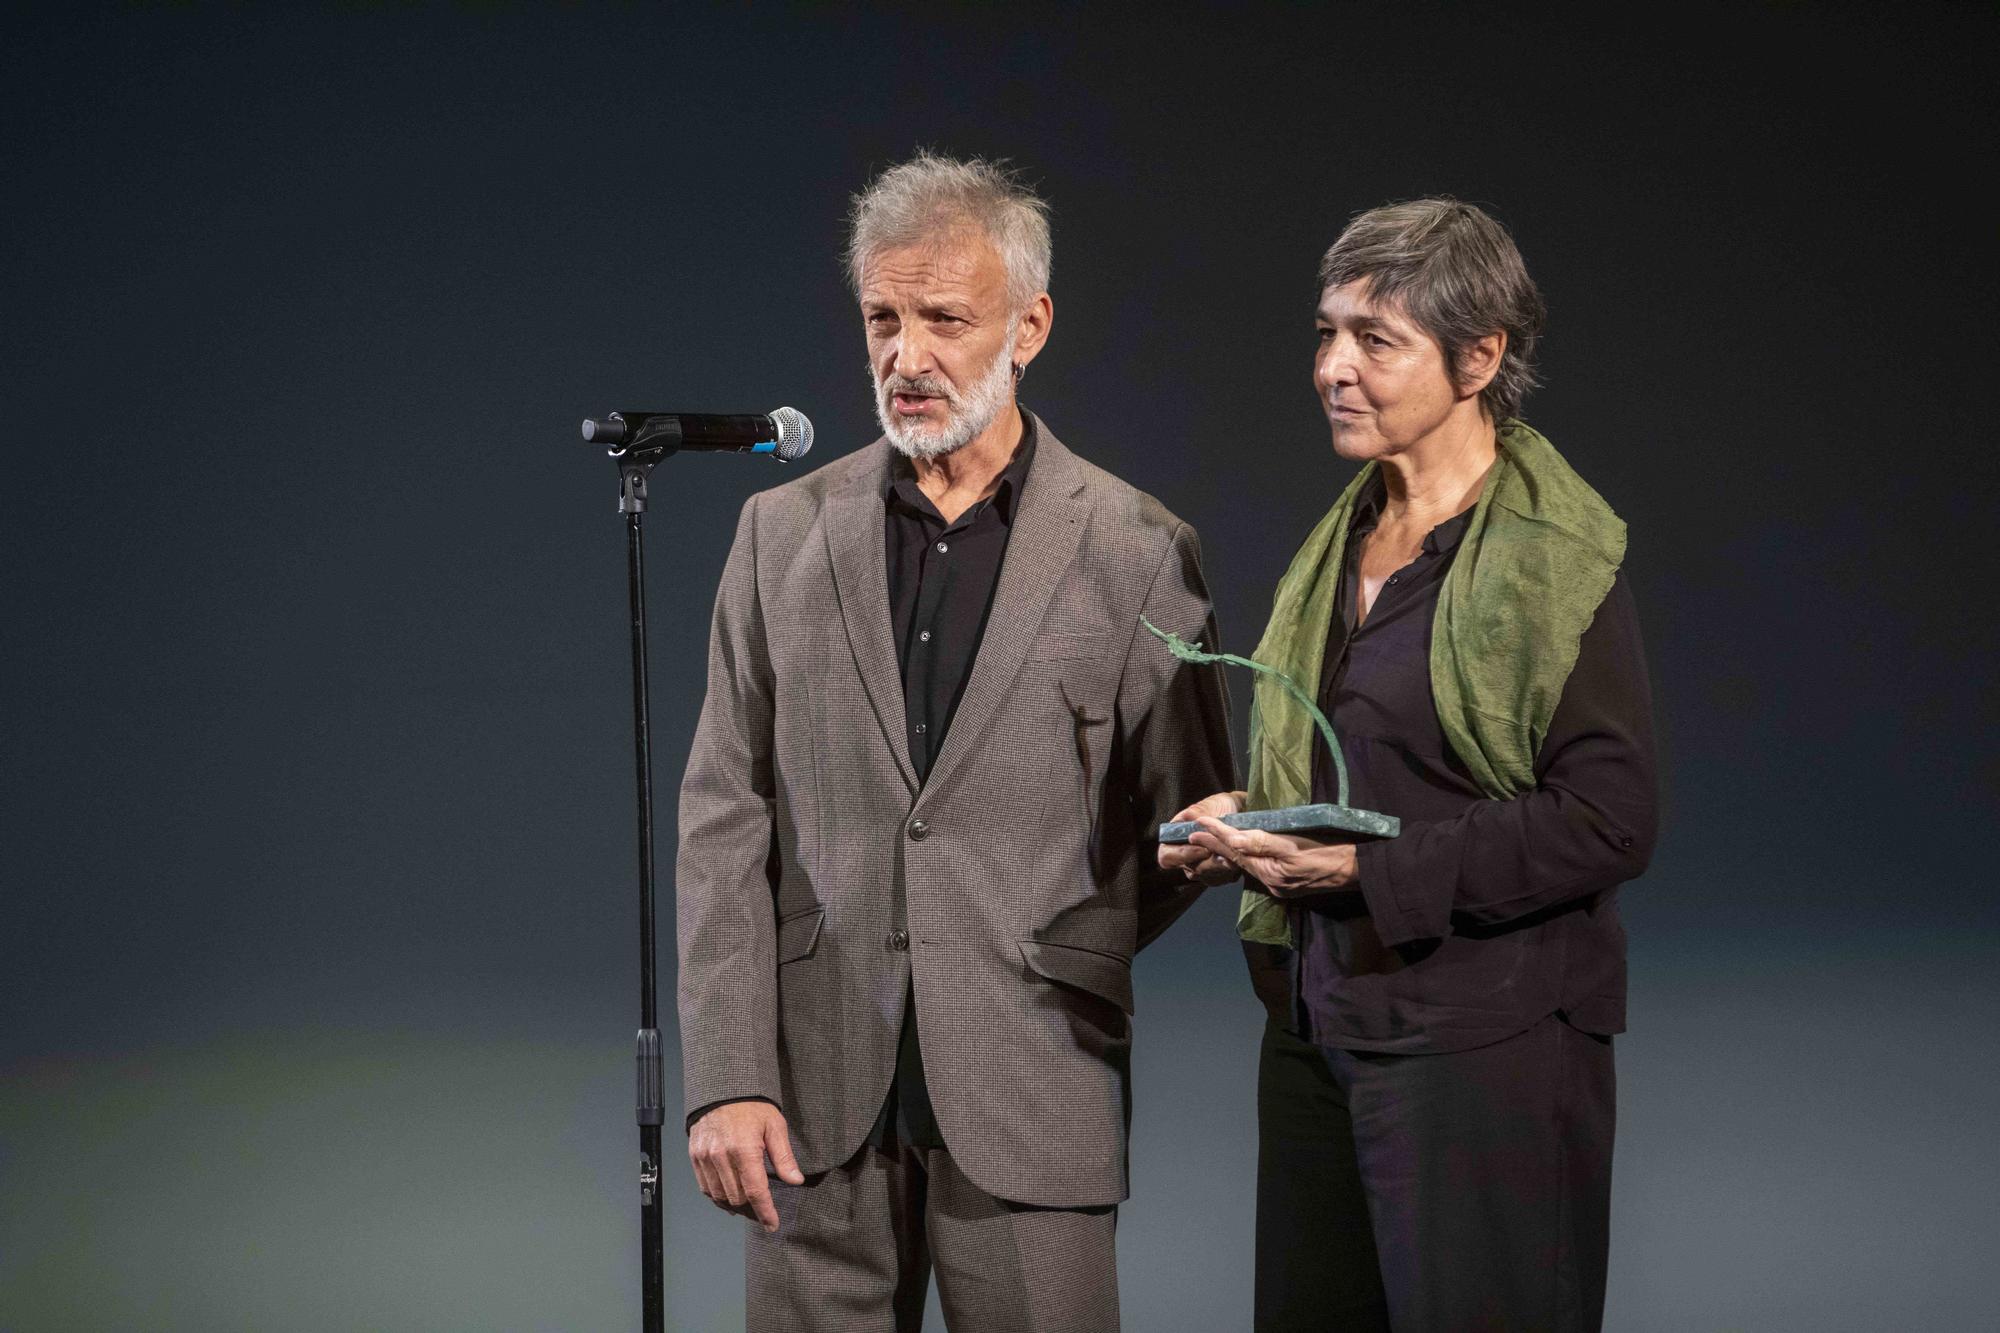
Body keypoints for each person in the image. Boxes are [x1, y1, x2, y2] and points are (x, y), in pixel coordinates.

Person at [677, 152, 1234, 1332]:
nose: (904, 354)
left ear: (1027, 326)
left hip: (1036, 1088)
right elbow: (723, 814)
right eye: (882, 318)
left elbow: (1196, 824)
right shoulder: (779, 534)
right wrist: (727, 1074)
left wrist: (1078, 945)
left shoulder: (1134, 548)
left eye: (943, 318)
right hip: (810, 1110)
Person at [1162, 198, 1659, 1332]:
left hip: (1482, 1043)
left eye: (1374, 340)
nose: (1332, 367)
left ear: (1478, 357)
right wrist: (1253, 813)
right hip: (1318, 1026)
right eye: (1327, 332)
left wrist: (1358, 875)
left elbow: (1608, 818)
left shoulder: (1549, 561)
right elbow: (1372, 770)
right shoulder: (1343, 537)